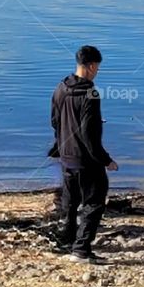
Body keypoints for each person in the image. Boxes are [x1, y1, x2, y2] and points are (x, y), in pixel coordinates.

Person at [50, 45, 119, 264]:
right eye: (97, 67)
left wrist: (62, 141)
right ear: (90, 66)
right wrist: (106, 160)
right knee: (95, 201)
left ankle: (66, 241)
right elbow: (89, 134)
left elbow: (54, 120)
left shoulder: (61, 87)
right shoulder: (91, 93)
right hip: (86, 159)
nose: (97, 71)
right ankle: (81, 249)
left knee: (70, 201)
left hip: (66, 155)